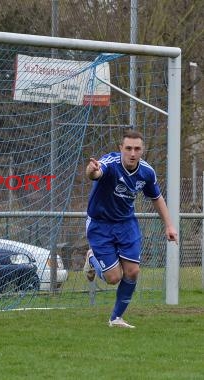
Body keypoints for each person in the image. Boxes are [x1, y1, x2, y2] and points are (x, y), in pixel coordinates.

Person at [83, 129, 178, 328]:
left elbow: (156, 198)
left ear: (142, 150)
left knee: (133, 271)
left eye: (137, 149)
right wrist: (92, 171)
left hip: (126, 224)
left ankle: (116, 319)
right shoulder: (110, 163)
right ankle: (92, 259)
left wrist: (169, 225)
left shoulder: (146, 172)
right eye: (128, 148)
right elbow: (96, 172)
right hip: (100, 224)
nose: (132, 153)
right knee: (113, 277)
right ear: (121, 149)